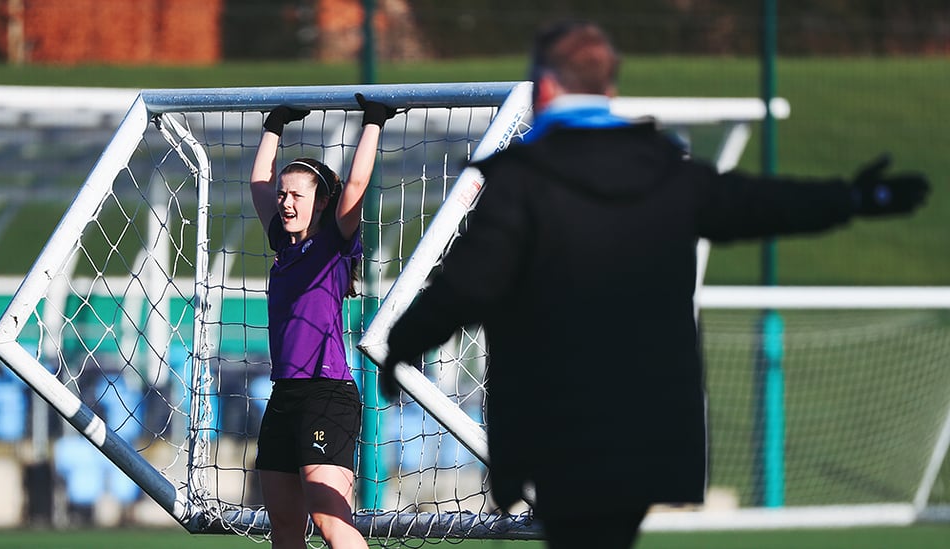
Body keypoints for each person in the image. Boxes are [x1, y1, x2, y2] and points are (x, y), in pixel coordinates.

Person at [379, 20, 930, 549]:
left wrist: (403, 344)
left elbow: (471, 281)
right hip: (649, 423)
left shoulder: (524, 179)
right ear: (610, 86)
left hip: (558, 422)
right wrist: (857, 198)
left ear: (544, 86)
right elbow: (761, 203)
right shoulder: (665, 169)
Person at [250, 94, 395, 549]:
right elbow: (259, 182)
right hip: (284, 394)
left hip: (326, 392)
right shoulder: (283, 243)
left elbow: (354, 187)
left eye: (297, 195)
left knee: (330, 518)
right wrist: (273, 126)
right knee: (285, 528)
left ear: (322, 202)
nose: (285, 202)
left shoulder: (333, 243)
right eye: (284, 194)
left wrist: (373, 121)